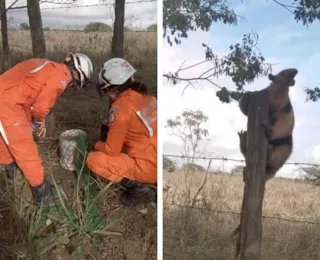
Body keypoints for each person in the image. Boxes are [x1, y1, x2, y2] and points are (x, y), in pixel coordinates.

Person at [0, 53, 93, 206]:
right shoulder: (61, 76)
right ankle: (43, 194)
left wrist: (32, 119)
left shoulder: (49, 66)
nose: (71, 85)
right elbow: (42, 107)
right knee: (26, 148)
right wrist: (37, 121)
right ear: (76, 73)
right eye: (75, 82)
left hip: (6, 96)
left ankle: (8, 170)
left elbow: (26, 93)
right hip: (7, 103)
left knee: (5, 137)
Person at [86, 57, 157, 207]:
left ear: (112, 89)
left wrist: (98, 145)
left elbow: (111, 151)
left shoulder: (120, 108)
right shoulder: (150, 99)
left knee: (93, 159)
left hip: (147, 167)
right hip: (155, 158)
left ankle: (140, 189)